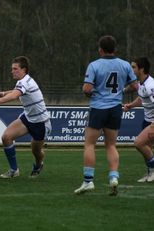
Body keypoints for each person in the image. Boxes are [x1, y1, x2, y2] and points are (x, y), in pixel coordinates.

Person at [74, 35, 138, 196]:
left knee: (89, 144)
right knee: (111, 145)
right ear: (115, 49)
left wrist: (92, 93)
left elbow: (87, 89)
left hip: (98, 108)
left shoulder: (94, 65)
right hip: (116, 108)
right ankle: (113, 178)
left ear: (100, 49)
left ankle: (88, 181)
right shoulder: (124, 65)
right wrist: (122, 91)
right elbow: (135, 86)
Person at [0, 56, 51, 179]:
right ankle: (14, 170)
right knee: (6, 137)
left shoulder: (26, 82)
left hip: (41, 122)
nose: (12, 71)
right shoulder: (22, 81)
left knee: (36, 152)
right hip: (28, 118)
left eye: (15, 69)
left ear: (24, 69)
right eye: (12, 69)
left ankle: (39, 164)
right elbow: (15, 91)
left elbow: (15, 95)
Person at [124, 57, 154, 182]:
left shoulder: (150, 85)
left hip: (152, 122)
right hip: (147, 119)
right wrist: (131, 105)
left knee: (138, 143)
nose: (131, 69)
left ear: (141, 69)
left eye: (134, 67)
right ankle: (150, 173)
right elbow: (142, 98)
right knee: (146, 149)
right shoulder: (141, 83)